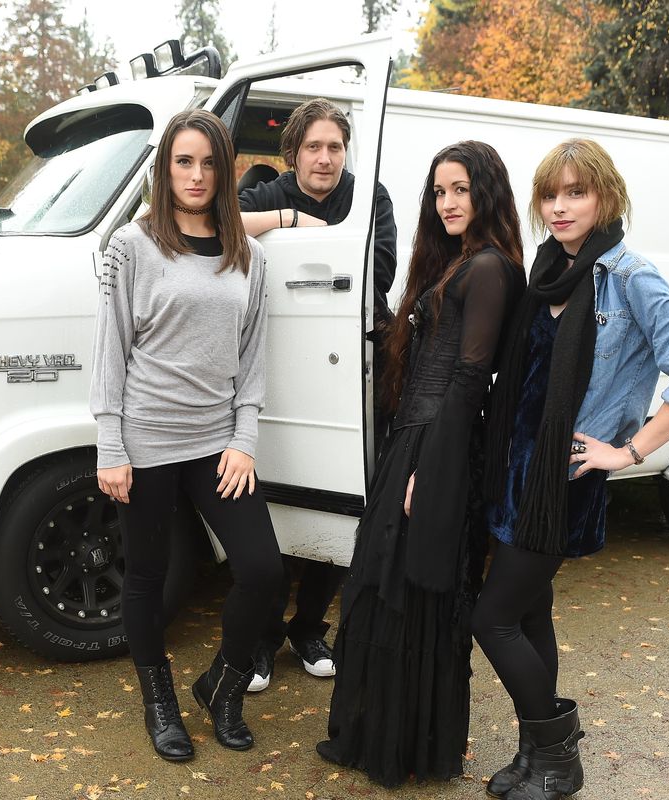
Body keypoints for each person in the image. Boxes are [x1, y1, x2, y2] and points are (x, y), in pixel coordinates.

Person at [474, 138, 669, 799]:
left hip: (566, 478)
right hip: (517, 471)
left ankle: (559, 758)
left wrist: (629, 450)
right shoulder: (549, 270)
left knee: (490, 618)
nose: (560, 206)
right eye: (550, 194)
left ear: (606, 196)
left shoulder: (630, 276)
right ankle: (536, 758)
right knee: (529, 614)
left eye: (575, 192)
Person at [315, 140, 527, 786]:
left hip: (438, 450)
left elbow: (468, 380)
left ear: (486, 191)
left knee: (414, 597)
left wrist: (425, 474)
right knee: (381, 591)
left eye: (460, 189)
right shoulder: (454, 264)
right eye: (439, 192)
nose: (448, 202)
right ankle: (372, 735)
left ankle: (406, 749)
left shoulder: (489, 268)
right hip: (414, 440)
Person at [90, 109, 283, 761]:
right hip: (144, 441)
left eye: (209, 163)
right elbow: (110, 350)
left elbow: (253, 355)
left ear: (224, 171)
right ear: (164, 167)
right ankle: (160, 703)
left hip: (216, 443)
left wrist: (244, 437)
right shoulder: (132, 245)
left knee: (262, 571)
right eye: (184, 161)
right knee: (147, 577)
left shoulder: (246, 255)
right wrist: (110, 446)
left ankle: (222, 686)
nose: (197, 175)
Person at [237, 97, 398, 690]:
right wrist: (289, 224)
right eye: (314, 147)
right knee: (279, 510)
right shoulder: (272, 194)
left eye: (335, 147)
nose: (326, 158)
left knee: (343, 505)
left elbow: (376, 271)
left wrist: (304, 256)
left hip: (354, 369)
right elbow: (218, 224)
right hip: (285, 369)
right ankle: (260, 639)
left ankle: (308, 629)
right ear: (293, 153)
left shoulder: (368, 197)